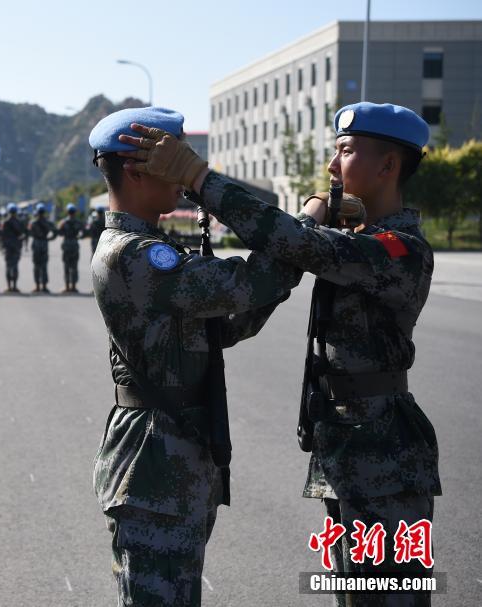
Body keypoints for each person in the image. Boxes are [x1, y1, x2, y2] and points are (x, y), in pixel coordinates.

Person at [120, 101, 440, 606]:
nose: (333, 166)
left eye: (347, 151)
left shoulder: (398, 249)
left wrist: (200, 178)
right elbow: (295, 252)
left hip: (386, 459)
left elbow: (299, 245)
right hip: (350, 451)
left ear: (389, 165)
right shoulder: (357, 240)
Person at [88, 107, 304, 606]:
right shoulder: (133, 254)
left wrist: (285, 262)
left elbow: (224, 324)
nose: (185, 168)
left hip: (175, 459)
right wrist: (301, 230)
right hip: (153, 467)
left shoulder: (150, 247)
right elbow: (246, 285)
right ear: (138, 170)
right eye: (175, 158)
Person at [56, 203, 85, 293]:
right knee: (74, 266)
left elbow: (59, 233)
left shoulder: (63, 222)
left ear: (67, 212)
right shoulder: (79, 222)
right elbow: (84, 233)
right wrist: (78, 237)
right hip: (74, 243)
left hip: (66, 243)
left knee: (66, 266)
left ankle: (67, 286)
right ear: (75, 212)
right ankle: (73, 286)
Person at [28, 202, 57, 293]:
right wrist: (49, 238)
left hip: (36, 243)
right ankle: (44, 286)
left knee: (37, 266)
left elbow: (28, 232)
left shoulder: (33, 223)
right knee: (44, 266)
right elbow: (55, 232)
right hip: (44, 244)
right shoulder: (48, 222)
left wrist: (35, 235)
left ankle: (37, 286)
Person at [0, 202, 28, 292]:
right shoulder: (20, 222)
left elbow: (2, 236)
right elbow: (23, 234)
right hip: (16, 246)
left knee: (8, 266)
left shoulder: (5, 222)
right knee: (15, 266)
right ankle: (15, 286)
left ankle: (9, 287)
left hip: (8, 247)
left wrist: (2, 246)